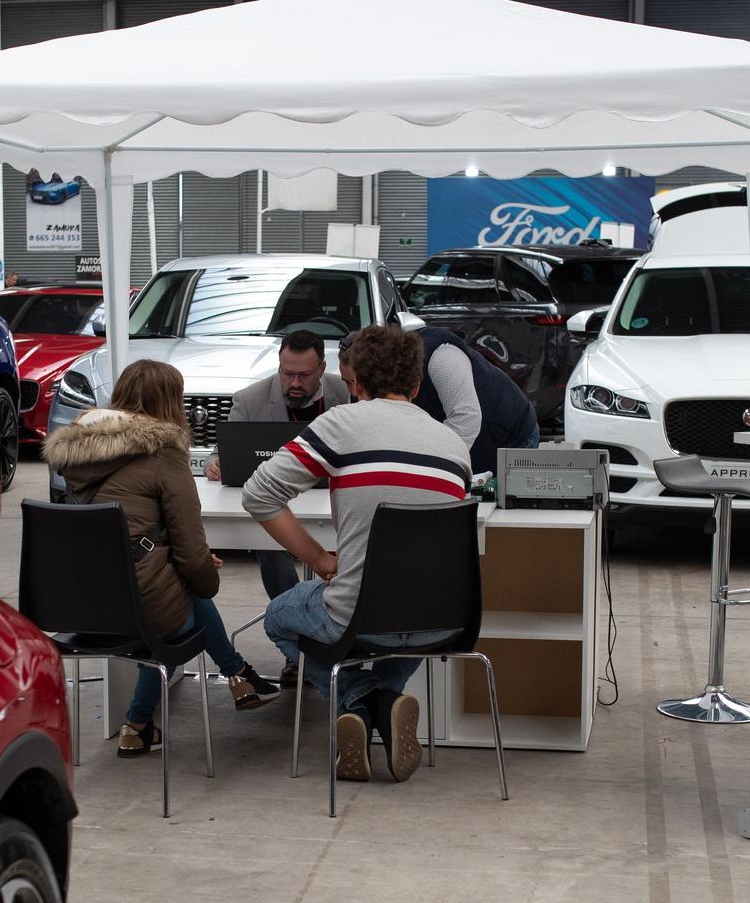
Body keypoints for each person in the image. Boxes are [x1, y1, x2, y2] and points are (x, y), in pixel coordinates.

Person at [244, 325, 473, 784]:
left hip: (357, 616)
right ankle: (384, 703)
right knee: (405, 620)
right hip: (443, 619)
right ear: (415, 386)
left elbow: (258, 493)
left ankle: (359, 698)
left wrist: (321, 559)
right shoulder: (455, 446)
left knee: (277, 616)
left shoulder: (339, 424)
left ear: (357, 384)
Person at [43, 358, 280, 756]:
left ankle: (230, 680)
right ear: (170, 404)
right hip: (139, 611)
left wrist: (180, 562)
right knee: (188, 590)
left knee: (174, 581)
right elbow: (190, 553)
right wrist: (202, 573)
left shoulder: (76, 455)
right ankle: (222, 681)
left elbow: (127, 528)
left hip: (80, 606)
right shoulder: (165, 455)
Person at [205, 330, 354, 665]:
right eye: (287, 374)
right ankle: (299, 629)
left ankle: (335, 629)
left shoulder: (344, 391)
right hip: (275, 502)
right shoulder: (250, 399)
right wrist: (216, 463)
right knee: (269, 549)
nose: (295, 382)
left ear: (322, 368)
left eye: (304, 375)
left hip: (330, 500)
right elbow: (223, 452)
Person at [343, 325, 539, 477]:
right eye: (347, 383)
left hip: (509, 437)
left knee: (496, 518)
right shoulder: (380, 376)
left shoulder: (440, 355)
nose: (354, 392)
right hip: (463, 444)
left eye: (355, 382)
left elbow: (467, 419)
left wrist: (431, 469)